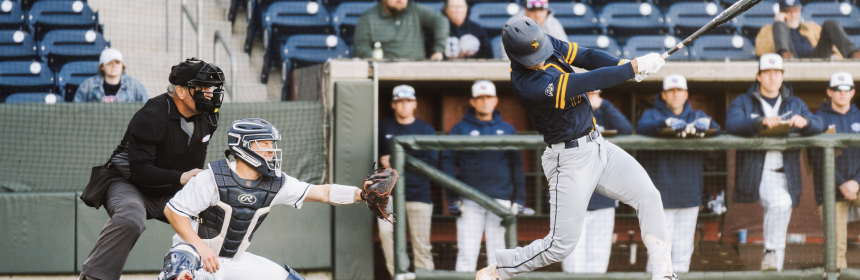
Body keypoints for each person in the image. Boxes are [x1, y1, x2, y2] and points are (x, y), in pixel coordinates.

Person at [476, 16, 675, 280]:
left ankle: (664, 274)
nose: (540, 58)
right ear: (516, 56)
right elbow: (583, 82)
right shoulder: (528, 85)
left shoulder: (544, 43)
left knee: (649, 196)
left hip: (598, 145)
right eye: (532, 56)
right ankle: (501, 269)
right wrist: (632, 68)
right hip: (568, 159)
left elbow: (589, 57)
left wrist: (624, 65)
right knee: (560, 246)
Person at [156, 118, 374, 280]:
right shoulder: (211, 178)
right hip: (194, 255)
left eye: (272, 144)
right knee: (178, 271)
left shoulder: (276, 182)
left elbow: (322, 192)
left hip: (233, 261)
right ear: (244, 147)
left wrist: (360, 194)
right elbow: (173, 212)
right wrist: (200, 248)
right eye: (264, 144)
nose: (271, 150)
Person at [77, 58, 225, 280]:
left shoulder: (208, 116)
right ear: (181, 91)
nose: (208, 93)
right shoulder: (152, 114)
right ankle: (94, 278)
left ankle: (186, 273)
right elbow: (139, 171)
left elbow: (195, 162)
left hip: (172, 188)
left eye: (209, 88)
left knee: (216, 218)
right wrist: (182, 177)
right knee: (130, 218)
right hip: (128, 184)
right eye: (201, 88)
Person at [726, 53, 824, 271]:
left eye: (777, 72)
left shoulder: (794, 102)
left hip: (787, 173)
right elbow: (733, 124)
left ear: (782, 76)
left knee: (781, 211)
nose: (772, 77)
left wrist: (805, 122)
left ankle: (773, 268)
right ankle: (770, 251)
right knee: (781, 204)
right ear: (758, 76)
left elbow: (818, 124)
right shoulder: (744, 101)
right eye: (767, 72)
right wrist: (760, 122)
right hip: (759, 171)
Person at [636, 75, 722, 273]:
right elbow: (642, 127)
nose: (675, 94)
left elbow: (717, 130)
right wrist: (666, 123)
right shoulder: (653, 115)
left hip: (689, 195)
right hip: (660, 197)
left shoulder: (696, 115)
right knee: (658, 254)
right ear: (664, 95)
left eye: (679, 90)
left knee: (683, 252)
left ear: (686, 94)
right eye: (671, 91)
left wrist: (708, 124)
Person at [442, 80, 526, 272]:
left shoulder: (507, 129)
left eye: (488, 97)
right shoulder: (459, 129)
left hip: (501, 200)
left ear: (495, 100)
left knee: (499, 257)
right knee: (466, 254)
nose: (484, 101)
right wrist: (453, 197)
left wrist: (519, 198)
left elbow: (517, 166)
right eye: (480, 98)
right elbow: (447, 163)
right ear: (473, 101)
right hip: (470, 200)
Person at [560, 89, 631, 274]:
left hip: (604, 198)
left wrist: (604, 105)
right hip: (573, 200)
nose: (590, 96)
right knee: (573, 262)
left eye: (593, 92)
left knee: (598, 261)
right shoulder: (565, 110)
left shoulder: (605, 113)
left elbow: (626, 130)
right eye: (586, 92)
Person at [377, 85, 438, 275]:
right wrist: (383, 163)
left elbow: (432, 164)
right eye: (399, 101)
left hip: (419, 193)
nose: (404, 105)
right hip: (389, 193)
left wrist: (395, 162)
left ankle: (425, 278)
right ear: (393, 104)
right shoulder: (384, 126)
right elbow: (375, 159)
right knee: (387, 235)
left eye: (408, 101)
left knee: (421, 244)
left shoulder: (426, 130)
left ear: (414, 104)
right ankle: (399, 277)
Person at [809, 72, 857, 270]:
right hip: (830, 189)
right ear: (829, 92)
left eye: (847, 89)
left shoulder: (859, 117)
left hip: (857, 184)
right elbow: (816, 158)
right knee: (836, 246)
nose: (842, 93)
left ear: (853, 92)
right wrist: (842, 183)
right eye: (838, 89)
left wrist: (856, 182)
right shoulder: (818, 118)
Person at [755, 0, 860, 59]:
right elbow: (761, 50)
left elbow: (831, 46)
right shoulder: (769, 29)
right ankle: (785, 55)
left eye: (796, 11)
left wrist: (836, 55)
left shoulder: (811, 26)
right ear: (782, 13)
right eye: (788, 11)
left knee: (830, 23)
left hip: (815, 58)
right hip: (792, 60)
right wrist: (779, 22)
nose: (793, 15)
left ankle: (853, 54)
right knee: (780, 28)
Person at [354, 0, 449, 61]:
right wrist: (378, 61)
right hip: (385, 75)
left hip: (417, 72)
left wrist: (438, 51)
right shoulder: (368, 18)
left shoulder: (415, 10)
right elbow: (360, 48)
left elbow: (442, 21)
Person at [501, 0, 568, 61]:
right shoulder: (513, 25)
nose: (537, 15)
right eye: (533, 10)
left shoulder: (554, 24)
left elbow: (564, 52)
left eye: (541, 10)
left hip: (549, 67)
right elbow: (507, 57)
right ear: (525, 9)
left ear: (546, 10)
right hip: (521, 68)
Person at [74, 48, 149, 103]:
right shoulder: (88, 85)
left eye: (117, 62)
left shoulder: (135, 85)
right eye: (109, 63)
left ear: (122, 66)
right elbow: (76, 108)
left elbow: (146, 109)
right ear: (102, 66)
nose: (114, 66)